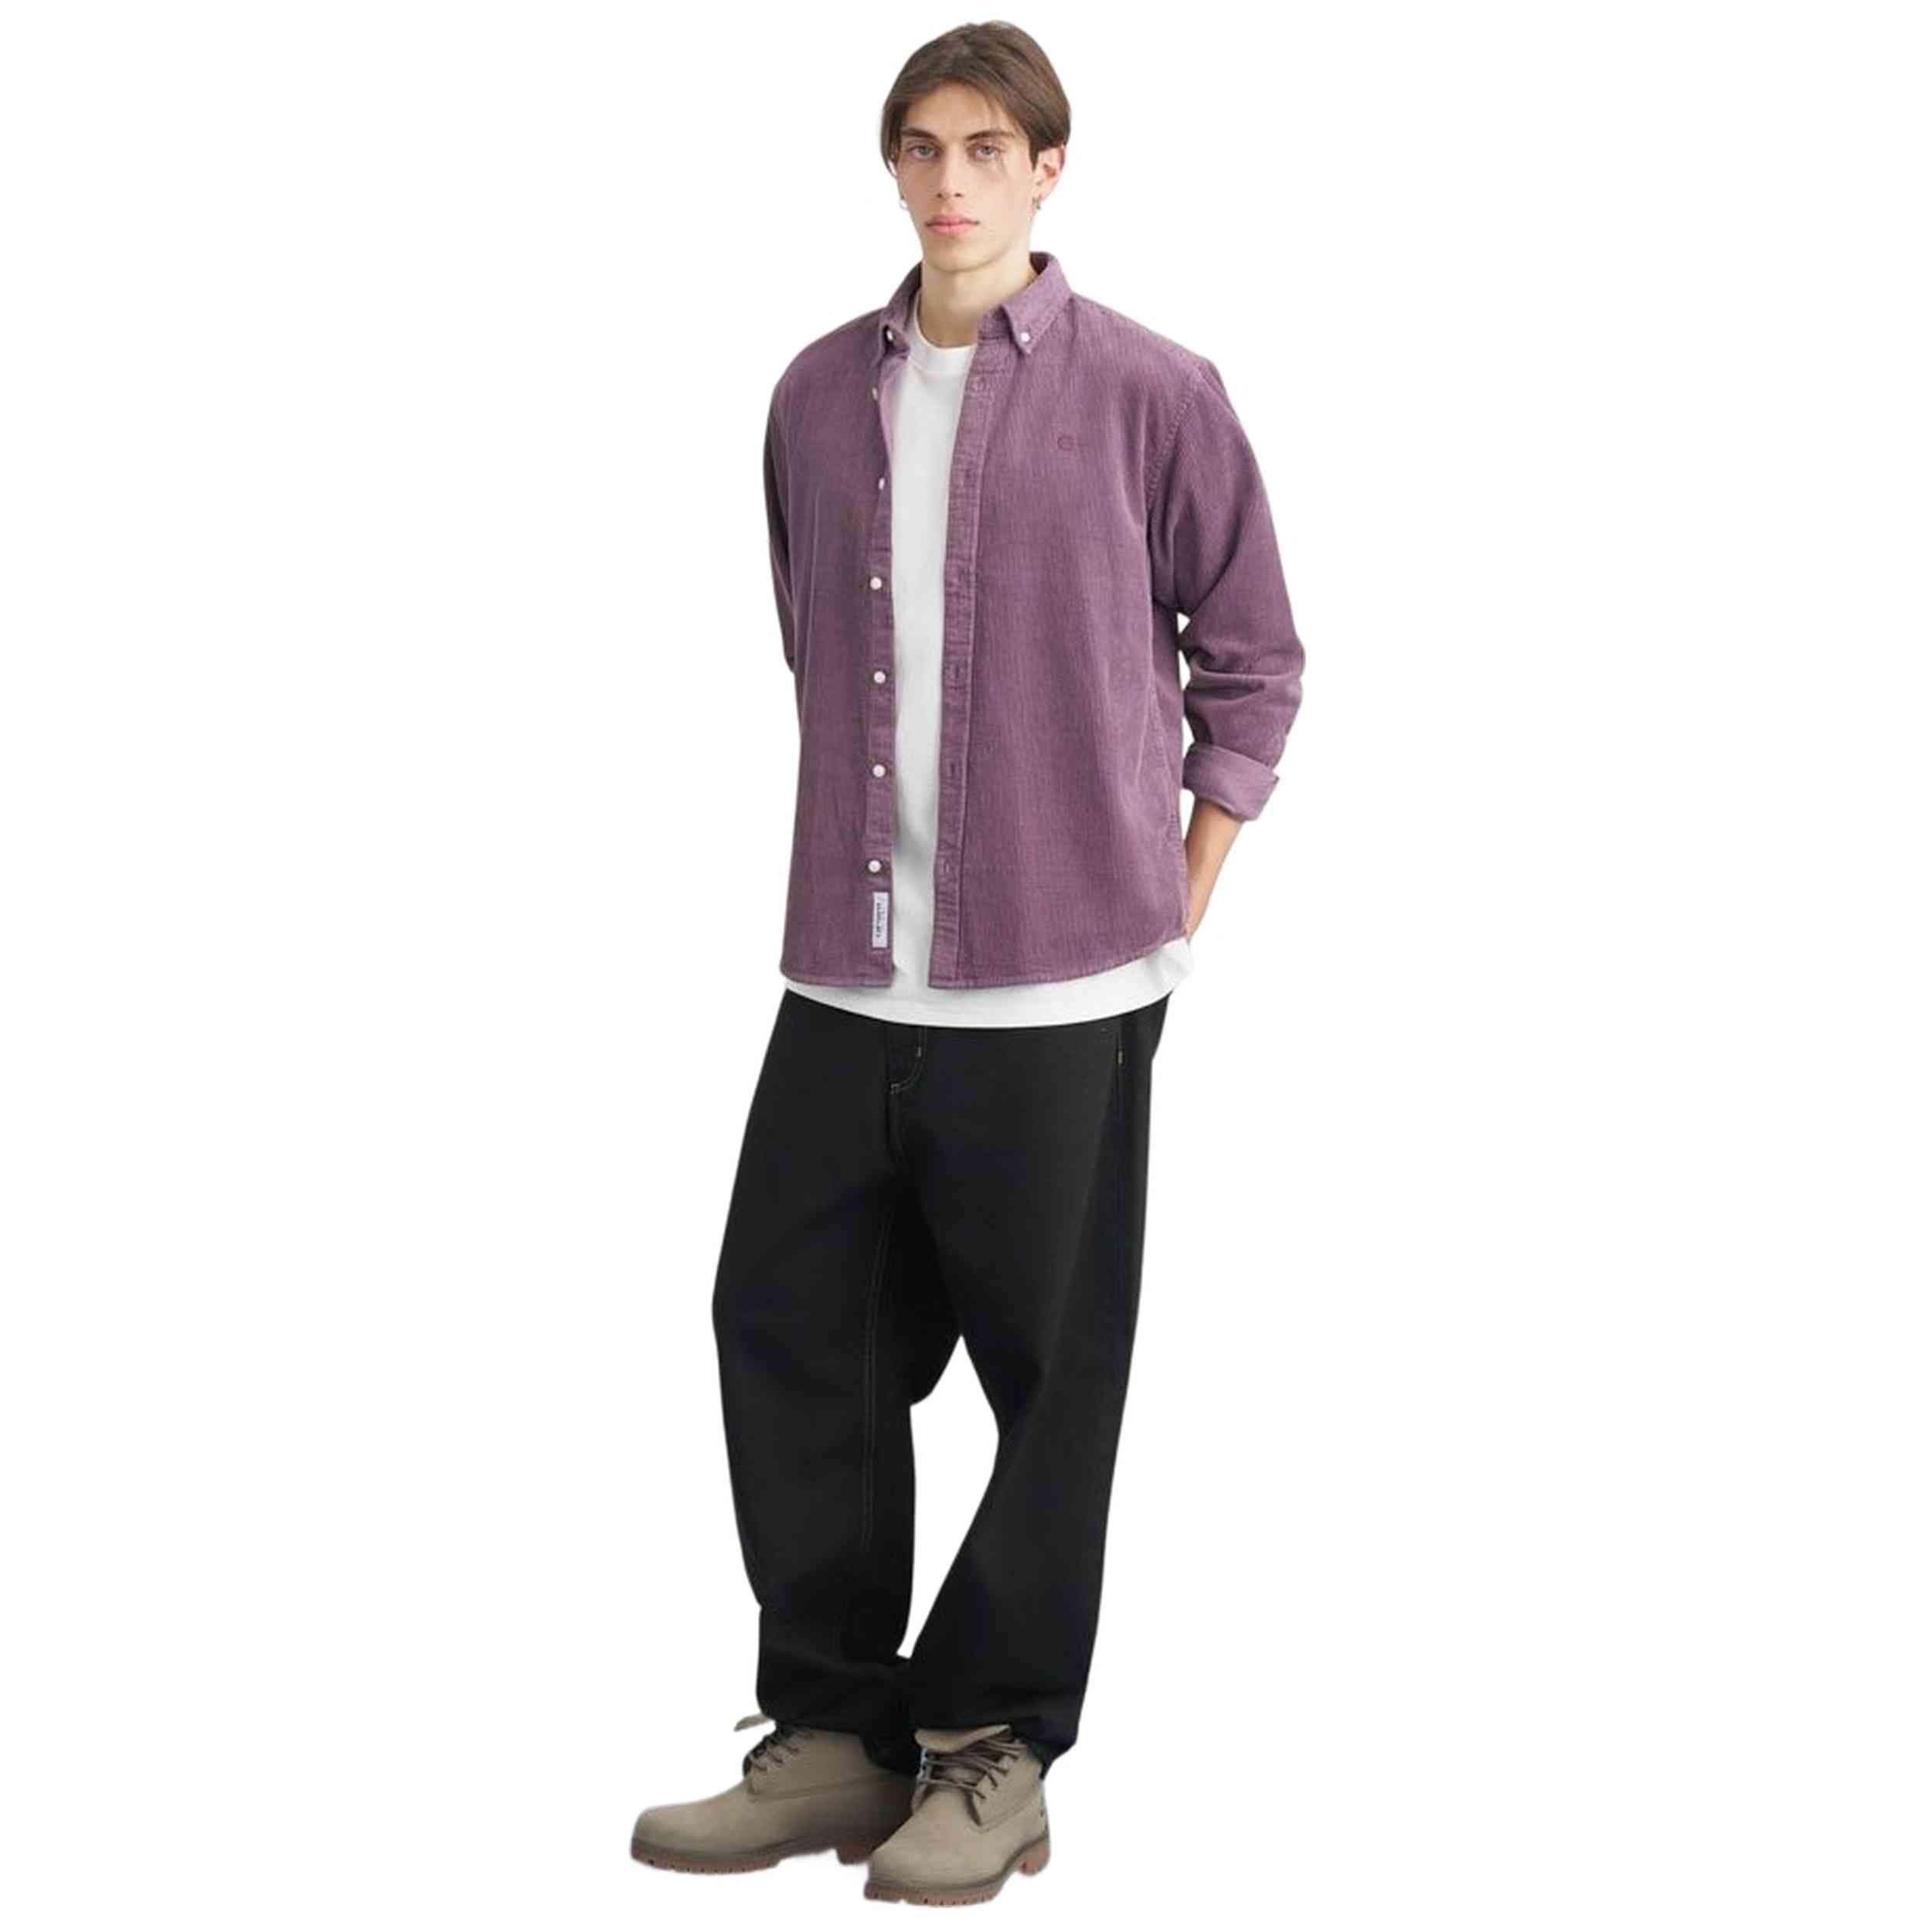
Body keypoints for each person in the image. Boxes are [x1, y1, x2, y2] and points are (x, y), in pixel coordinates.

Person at [631, 19, 1304, 1907]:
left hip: (1061, 986)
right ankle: (834, 1730)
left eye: (986, 148)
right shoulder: (810, 397)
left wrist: (1171, 897)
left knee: (1045, 1376)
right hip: (847, 974)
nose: (949, 181)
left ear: (1046, 169)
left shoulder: (1152, 391)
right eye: (920, 146)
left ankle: (992, 1743)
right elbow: (812, 643)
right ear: (892, 166)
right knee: (788, 1332)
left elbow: (1253, 659)